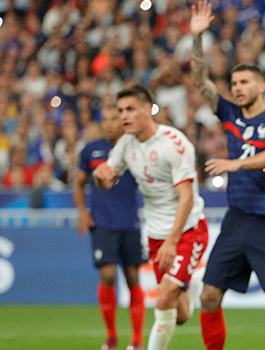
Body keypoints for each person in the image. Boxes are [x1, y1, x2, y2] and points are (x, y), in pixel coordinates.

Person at [190, 2, 265, 350]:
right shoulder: (229, 113)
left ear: (262, 85)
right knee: (208, 296)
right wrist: (196, 36)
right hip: (236, 220)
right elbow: (200, 80)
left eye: (244, 82)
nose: (237, 88)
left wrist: (234, 164)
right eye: (234, 82)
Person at [93, 85, 208, 350]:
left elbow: (187, 197)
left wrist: (172, 240)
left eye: (130, 109)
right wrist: (101, 179)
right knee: (179, 315)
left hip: (188, 230)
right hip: (155, 234)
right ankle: (194, 287)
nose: (124, 116)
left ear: (148, 110)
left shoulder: (174, 143)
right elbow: (109, 179)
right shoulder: (126, 144)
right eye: (121, 110)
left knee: (163, 299)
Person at [73, 106, 146, 350]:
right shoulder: (90, 149)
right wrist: (83, 212)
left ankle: (136, 339)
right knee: (107, 275)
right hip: (102, 222)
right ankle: (112, 335)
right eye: (105, 119)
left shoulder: (135, 148)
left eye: (114, 118)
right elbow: (79, 183)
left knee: (133, 277)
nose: (110, 123)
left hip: (130, 222)